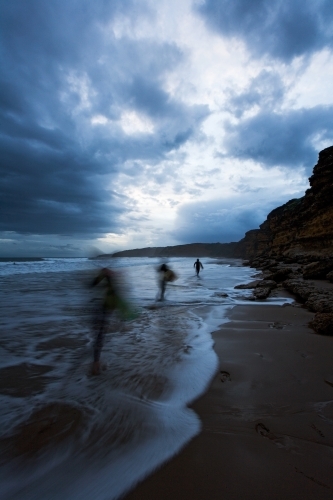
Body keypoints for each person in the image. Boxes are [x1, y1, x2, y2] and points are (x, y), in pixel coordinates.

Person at [90, 267, 119, 375]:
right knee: (100, 335)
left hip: (95, 309)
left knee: (96, 334)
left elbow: (92, 284)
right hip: (104, 310)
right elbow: (114, 303)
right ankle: (96, 363)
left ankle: (95, 361)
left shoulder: (97, 285)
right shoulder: (111, 288)